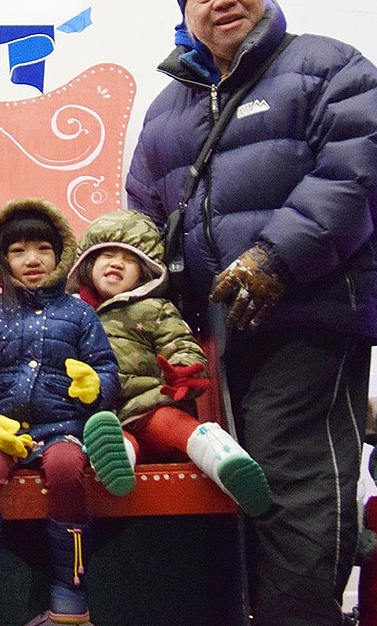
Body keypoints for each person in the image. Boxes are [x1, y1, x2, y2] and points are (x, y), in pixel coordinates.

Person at [125, 0, 377, 626]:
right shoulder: (164, 112)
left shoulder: (325, 66)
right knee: (226, 499)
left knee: (294, 488)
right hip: (208, 347)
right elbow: (144, 223)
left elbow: (357, 172)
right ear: (182, 12)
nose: (222, 0)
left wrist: (272, 258)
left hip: (309, 321)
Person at [0, 198, 123, 625]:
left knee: (66, 468)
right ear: (2, 260)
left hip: (63, 429)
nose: (32, 259)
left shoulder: (79, 313)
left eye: (42, 248)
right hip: (3, 429)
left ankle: (70, 582)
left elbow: (106, 368)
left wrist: (96, 386)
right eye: (18, 251)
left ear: (60, 255)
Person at [68, 209, 272, 517]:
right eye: (106, 255)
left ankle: (227, 461)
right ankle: (114, 464)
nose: (116, 263)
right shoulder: (75, 317)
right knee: (111, 437)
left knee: (174, 425)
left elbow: (180, 343)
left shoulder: (153, 308)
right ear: (87, 267)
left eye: (130, 259)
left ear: (147, 271)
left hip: (150, 406)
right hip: (104, 414)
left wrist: (184, 372)